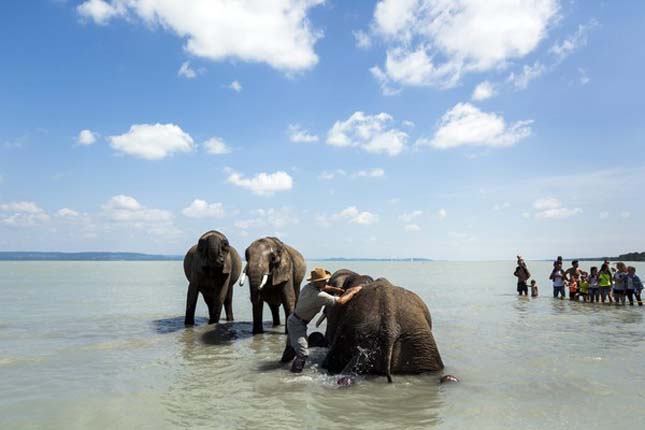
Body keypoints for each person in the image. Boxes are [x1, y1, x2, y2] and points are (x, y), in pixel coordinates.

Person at [280, 267, 362, 373]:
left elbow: (324, 287)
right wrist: (353, 292)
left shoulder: (308, 287)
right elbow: (340, 302)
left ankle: (280, 367)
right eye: (323, 281)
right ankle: (293, 377)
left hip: (293, 320)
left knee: (291, 349)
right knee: (303, 353)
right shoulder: (318, 296)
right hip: (297, 324)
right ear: (317, 282)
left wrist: (336, 290)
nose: (326, 282)